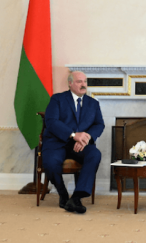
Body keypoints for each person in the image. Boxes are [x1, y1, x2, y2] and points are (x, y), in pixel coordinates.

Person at [42, 71, 105, 214]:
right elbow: (51, 122)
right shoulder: (57, 99)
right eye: (79, 81)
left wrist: (87, 137)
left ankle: (76, 197)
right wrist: (73, 135)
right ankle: (63, 195)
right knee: (50, 163)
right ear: (70, 83)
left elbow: (99, 125)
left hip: (80, 144)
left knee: (94, 154)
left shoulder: (93, 104)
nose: (83, 85)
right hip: (56, 142)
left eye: (85, 82)